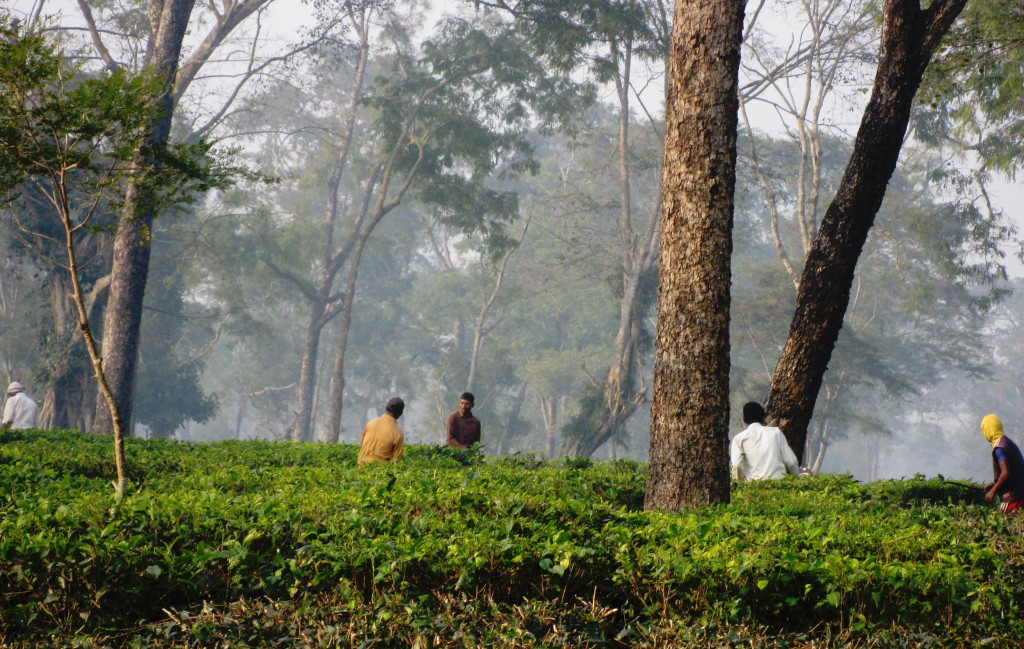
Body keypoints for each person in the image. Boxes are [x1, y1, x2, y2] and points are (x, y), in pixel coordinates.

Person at [730, 401, 799, 481]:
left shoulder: (739, 438)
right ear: (763, 417)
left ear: (745, 419)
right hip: (780, 485)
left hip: (754, 487)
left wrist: (740, 484)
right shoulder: (776, 433)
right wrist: (795, 481)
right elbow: (791, 462)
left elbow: (737, 465)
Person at [979, 414, 1024, 514]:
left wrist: (992, 491)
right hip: (1021, 493)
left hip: (1013, 497)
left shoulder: (999, 448)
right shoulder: (1006, 442)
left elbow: (1006, 473)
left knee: (1001, 523)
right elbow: (1012, 471)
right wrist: (993, 484)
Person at [357, 397, 406, 467]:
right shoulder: (398, 434)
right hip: (379, 473)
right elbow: (396, 462)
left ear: (386, 408)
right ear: (400, 413)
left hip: (360, 468)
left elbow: (362, 444)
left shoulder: (371, 423)